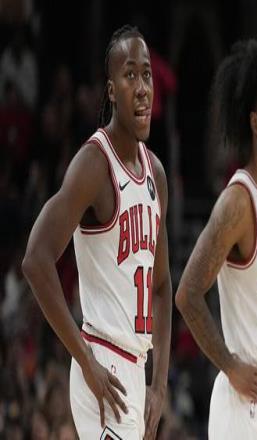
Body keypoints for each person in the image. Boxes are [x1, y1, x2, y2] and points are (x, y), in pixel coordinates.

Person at [22, 25, 172, 439]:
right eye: (129, 75)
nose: (141, 87)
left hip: (136, 373)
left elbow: (161, 285)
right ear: (111, 90)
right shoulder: (93, 164)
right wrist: (85, 359)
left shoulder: (156, 174)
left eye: (147, 75)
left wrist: (159, 385)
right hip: (102, 364)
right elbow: (36, 259)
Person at [175, 34, 257, 438]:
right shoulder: (238, 201)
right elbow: (187, 294)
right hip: (244, 410)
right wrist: (230, 365)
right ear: (254, 122)